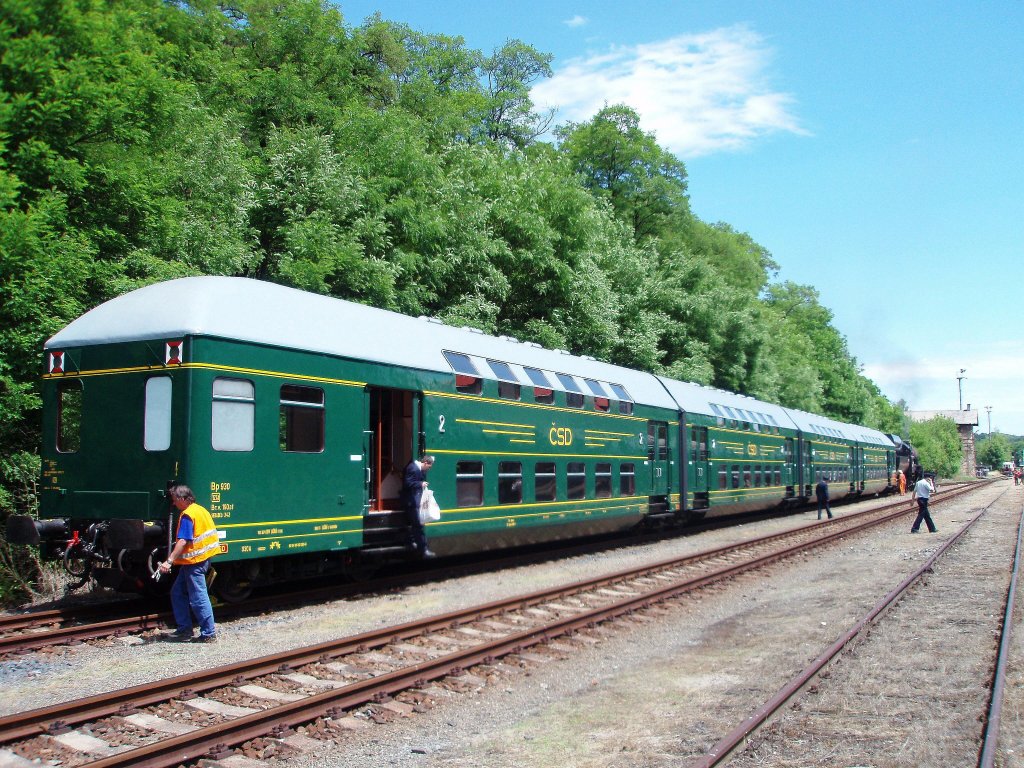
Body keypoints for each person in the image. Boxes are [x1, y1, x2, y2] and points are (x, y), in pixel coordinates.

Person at [158, 483, 220, 642]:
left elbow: (183, 541)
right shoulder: (200, 510)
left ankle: (208, 633)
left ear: (182, 498)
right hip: (198, 560)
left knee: (198, 597)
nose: (173, 503)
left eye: (174, 500)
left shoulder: (188, 515)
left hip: (195, 562)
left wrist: (169, 561)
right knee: (177, 592)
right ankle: (184, 629)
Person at [402, 454, 436, 558]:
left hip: (413, 501)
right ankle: (423, 549)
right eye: (429, 467)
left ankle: (413, 543)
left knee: (416, 524)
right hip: (411, 501)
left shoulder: (416, 468)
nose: (429, 469)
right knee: (418, 524)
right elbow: (407, 483)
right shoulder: (413, 468)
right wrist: (420, 484)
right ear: (425, 463)